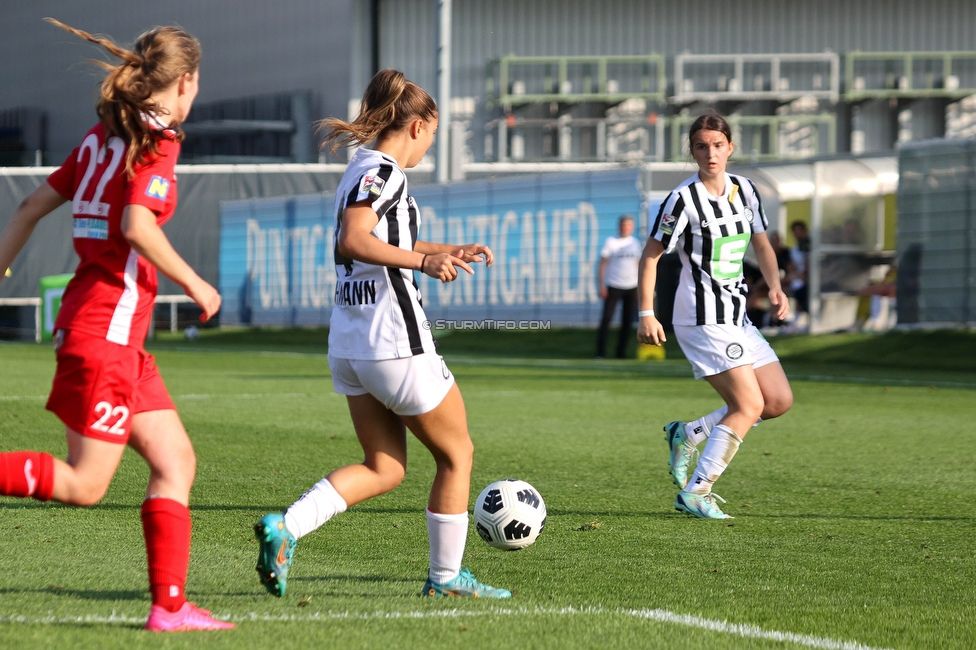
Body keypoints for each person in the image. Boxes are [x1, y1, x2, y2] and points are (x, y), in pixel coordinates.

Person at [0, 20, 232, 631]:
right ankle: (169, 607)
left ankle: (170, 608)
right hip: (104, 334)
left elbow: (28, 206)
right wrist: (194, 282)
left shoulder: (101, 140)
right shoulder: (157, 142)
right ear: (186, 82)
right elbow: (137, 225)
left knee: (176, 461)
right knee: (84, 484)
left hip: (112, 337)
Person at [253, 69, 510, 599]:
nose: (429, 147)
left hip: (352, 343)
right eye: (433, 135)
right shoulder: (388, 172)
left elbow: (380, 240)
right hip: (394, 342)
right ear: (416, 126)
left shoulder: (360, 169)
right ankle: (445, 579)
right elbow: (355, 240)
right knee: (457, 454)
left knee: (385, 467)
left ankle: (287, 528)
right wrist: (421, 260)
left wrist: (443, 251)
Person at [637, 113, 794, 519]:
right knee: (747, 406)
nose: (711, 153)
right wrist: (646, 313)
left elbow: (761, 244)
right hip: (702, 318)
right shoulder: (681, 199)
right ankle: (696, 492)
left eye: (718, 145)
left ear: (730, 147)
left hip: (737, 315)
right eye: (702, 146)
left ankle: (688, 435)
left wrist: (775, 286)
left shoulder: (745, 190)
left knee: (776, 401)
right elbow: (651, 256)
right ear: (692, 150)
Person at [596, 215, 641, 359]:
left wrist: (642, 286)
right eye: (623, 225)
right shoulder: (611, 242)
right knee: (606, 320)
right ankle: (600, 352)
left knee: (627, 322)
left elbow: (639, 265)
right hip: (614, 285)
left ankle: (620, 352)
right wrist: (601, 285)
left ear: (632, 227)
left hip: (631, 286)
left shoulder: (635, 243)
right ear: (619, 226)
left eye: (629, 225)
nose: (626, 228)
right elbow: (603, 264)